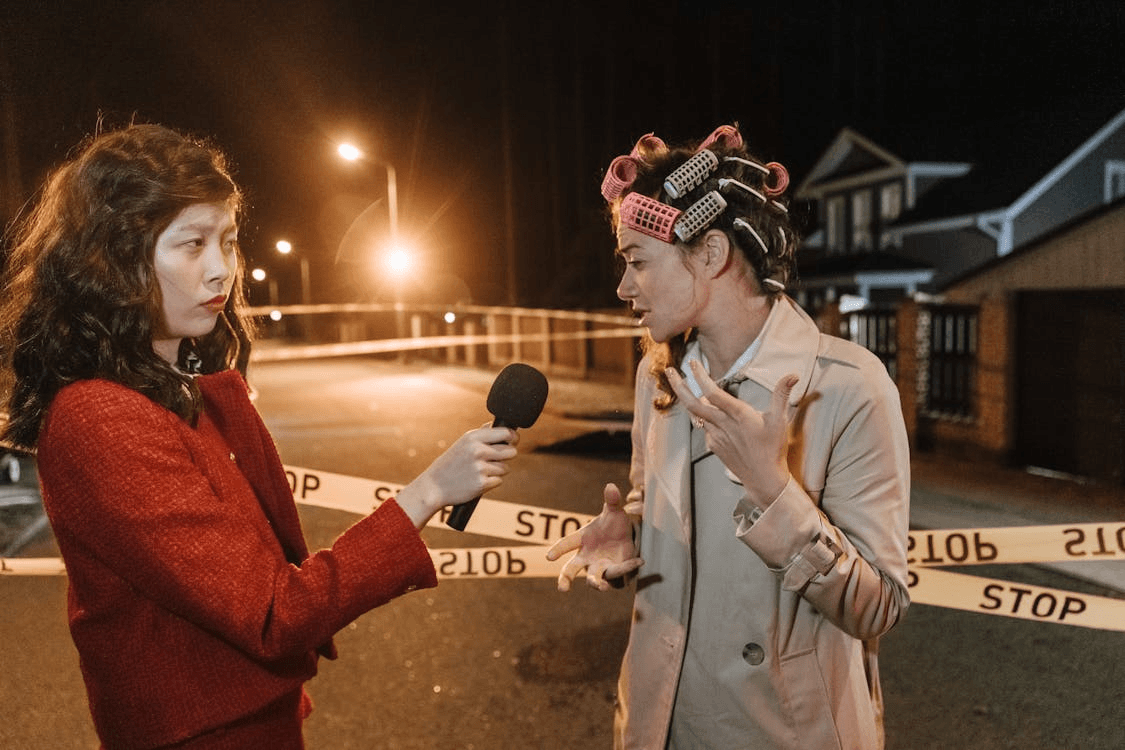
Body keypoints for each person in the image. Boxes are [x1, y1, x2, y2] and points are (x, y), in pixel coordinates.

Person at [0, 122, 519, 749]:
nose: (221, 269)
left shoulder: (175, 381)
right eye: (191, 244)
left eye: (228, 240)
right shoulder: (100, 418)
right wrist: (430, 489)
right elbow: (276, 610)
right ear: (116, 257)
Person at [547, 124, 911, 750]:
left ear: (711, 254)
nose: (622, 288)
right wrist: (634, 530)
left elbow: (877, 607)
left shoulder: (850, 387)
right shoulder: (657, 373)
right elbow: (659, 503)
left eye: (637, 262)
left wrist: (773, 489)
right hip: (660, 721)